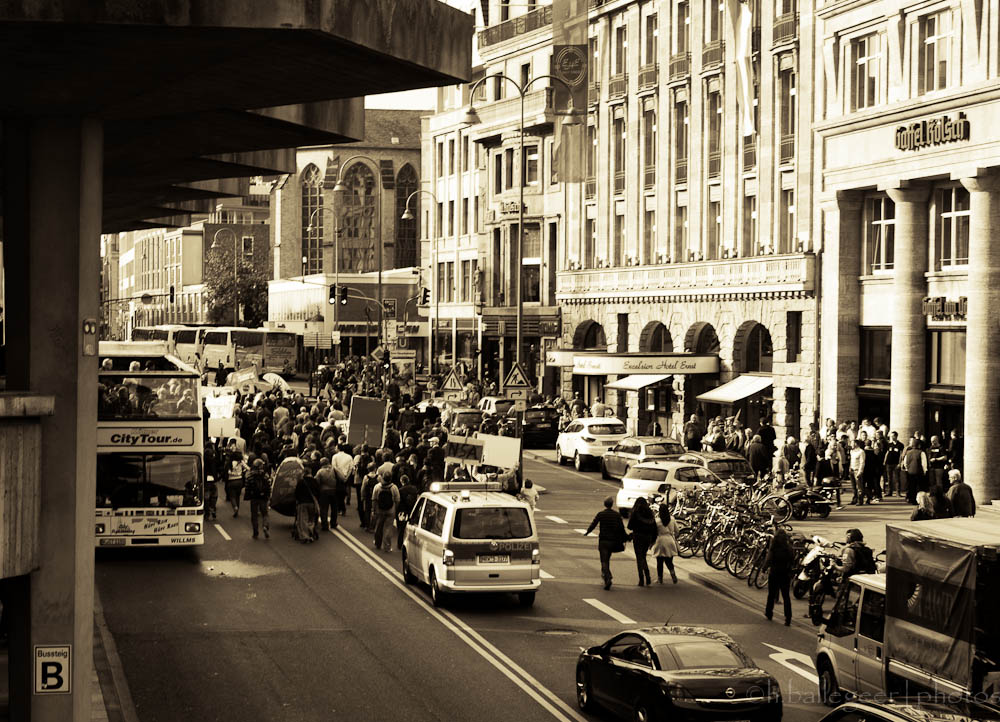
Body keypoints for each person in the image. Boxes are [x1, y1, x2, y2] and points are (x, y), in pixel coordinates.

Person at [584, 497, 628, 590]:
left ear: (605, 504)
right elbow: (621, 528)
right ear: (612, 504)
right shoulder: (616, 515)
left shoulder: (601, 514)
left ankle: (607, 577)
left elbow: (593, 524)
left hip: (603, 541)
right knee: (608, 558)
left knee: (604, 561)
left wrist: (588, 532)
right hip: (613, 541)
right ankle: (607, 575)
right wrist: (626, 538)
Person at [763, 521, 795, 626]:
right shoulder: (789, 548)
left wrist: (764, 568)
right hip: (785, 574)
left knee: (771, 594)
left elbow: (768, 559)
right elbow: (792, 560)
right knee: (786, 596)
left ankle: (769, 612)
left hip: (774, 572)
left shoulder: (774, 548)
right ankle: (788, 617)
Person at [627, 497, 657, 587]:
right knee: (643, 556)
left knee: (639, 558)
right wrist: (653, 540)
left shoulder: (635, 513)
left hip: (638, 537)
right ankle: (647, 576)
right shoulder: (650, 514)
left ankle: (642, 579)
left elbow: (630, 526)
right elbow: (654, 528)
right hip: (647, 538)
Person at [370, 472, 399, 552]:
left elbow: (374, 499)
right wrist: (395, 509)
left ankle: (377, 543)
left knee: (378, 526)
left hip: (380, 510)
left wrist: (374, 509)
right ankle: (387, 546)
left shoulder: (377, 487)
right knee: (388, 528)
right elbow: (397, 500)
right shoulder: (394, 487)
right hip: (390, 510)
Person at [651, 502, 679, 584]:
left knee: (659, 562)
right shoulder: (672, 519)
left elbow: (653, 533)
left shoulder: (657, 521)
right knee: (669, 561)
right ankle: (673, 575)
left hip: (660, 541)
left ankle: (660, 579)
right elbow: (677, 531)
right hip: (670, 541)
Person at [244, 459, 271, 539]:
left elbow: (247, 486)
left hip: (254, 497)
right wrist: (267, 495)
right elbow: (269, 485)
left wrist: (248, 495)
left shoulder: (249, 475)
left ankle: (255, 532)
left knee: (254, 515)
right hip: (263, 497)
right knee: (265, 514)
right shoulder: (265, 475)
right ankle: (265, 526)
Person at [293, 473, 321, 543]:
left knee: (303, 520)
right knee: (311, 519)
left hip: (302, 503)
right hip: (312, 503)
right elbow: (318, 492)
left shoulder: (301, 482)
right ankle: (311, 532)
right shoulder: (315, 481)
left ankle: (305, 536)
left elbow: (296, 493)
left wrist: (298, 500)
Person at [396, 475, 419, 550]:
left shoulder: (400, 490)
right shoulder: (414, 489)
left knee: (401, 529)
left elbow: (398, 501)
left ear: (402, 481)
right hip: (412, 511)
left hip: (403, 511)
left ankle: (400, 544)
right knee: (412, 528)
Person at [901, 439, 928, 505]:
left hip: (910, 472)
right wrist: (925, 470)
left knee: (911, 486)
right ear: (919, 445)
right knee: (919, 487)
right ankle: (919, 500)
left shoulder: (908, 452)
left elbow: (905, 462)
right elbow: (924, 463)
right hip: (919, 471)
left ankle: (911, 499)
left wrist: (907, 469)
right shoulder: (921, 452)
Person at [314, 457, 338, 532]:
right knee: (334, 508)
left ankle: (324, 525)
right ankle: (333, 523)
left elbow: (316, 481)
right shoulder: (334, 470)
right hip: (333, 490)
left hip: (324, 491)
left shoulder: (320, 472)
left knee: (324, 508)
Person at [225, 451, 248, 517]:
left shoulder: (230, 462)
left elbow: (228, 472)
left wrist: (233, 473)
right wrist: (241, 472)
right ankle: (237, 511)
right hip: (240, 481)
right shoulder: (241, 462)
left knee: (232, 496)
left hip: (231, 481)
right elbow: (248, 468)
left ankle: (235, 507)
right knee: (238, 496)